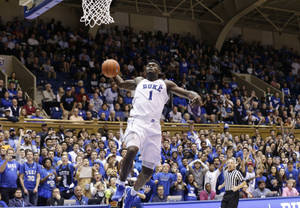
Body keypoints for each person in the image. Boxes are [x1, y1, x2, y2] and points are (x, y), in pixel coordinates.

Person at [111, 60, 201, 208]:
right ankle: (121, 185)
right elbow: (121, 83)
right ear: (145, 70)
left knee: (147, 171)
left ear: (159, 70)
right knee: (132, 149)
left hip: (154, 126)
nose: (150, 67)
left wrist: (195, 96)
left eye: (154, 65)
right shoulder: (139, 81)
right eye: (148, 65)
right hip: (137, 121)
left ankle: (132, 194)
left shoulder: (166, 84)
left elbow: (186, 93)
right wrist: (113, 74)